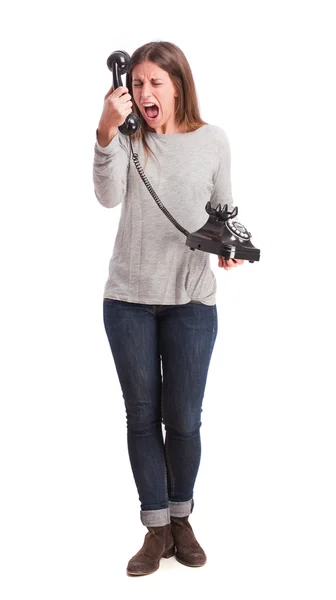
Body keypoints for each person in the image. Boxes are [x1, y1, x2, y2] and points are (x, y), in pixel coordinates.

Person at [93, 41, 244, 577]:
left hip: (190, 302)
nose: (144, 92)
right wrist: (106, 133)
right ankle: (155, 528)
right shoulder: (129, 141)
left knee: (183, 419)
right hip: (129, 300)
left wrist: (226, 247)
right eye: (136, 84)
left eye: (155, 82)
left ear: (178, 84)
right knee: (141, 418)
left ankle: (182, 518)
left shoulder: (213, 141)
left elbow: (222, 209)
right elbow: (108, 197)